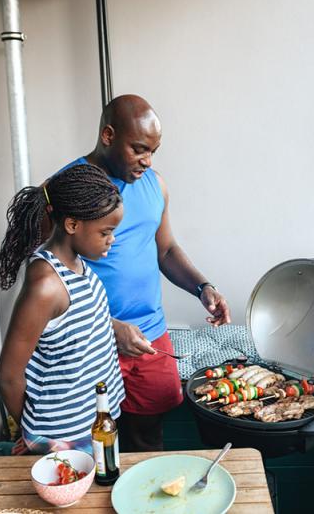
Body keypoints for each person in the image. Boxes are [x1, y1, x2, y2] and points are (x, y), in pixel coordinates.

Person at [59, 95, 232, 452]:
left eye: (153, 151)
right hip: (90, 341)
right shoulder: (66, 190)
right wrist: (108, 327)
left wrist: (203, 288)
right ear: (108, 135)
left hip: (150, 337)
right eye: (139, 149)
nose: (147, 161)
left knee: (148, 439)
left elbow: (165, 250)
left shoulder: (156, 185)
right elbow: (50, 278)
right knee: (92, 445)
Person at [0, 163, 127, 455]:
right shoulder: (46, 285)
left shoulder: (79, 263)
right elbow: (8, 375)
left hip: (95, 421)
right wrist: (37, 435)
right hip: (65, 437)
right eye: (106, 232)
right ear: (72, 225)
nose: (112, 239)